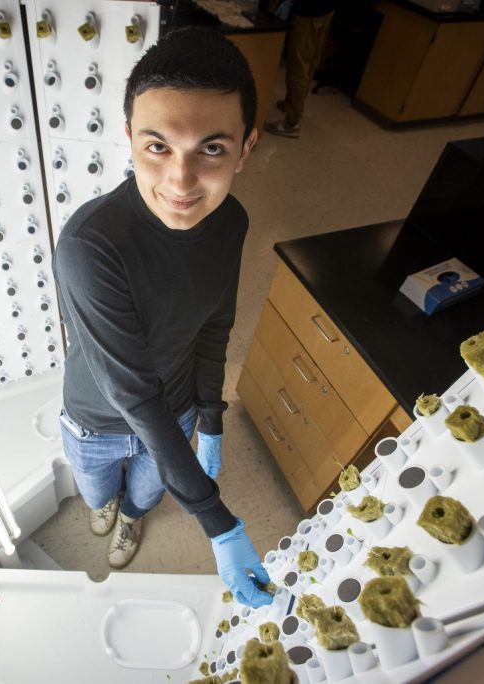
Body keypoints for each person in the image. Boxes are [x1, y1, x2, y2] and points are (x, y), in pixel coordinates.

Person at [53, 27, 272, 608]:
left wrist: (211, 416)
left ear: (247, 147)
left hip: (173, 416)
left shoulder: (232, 222)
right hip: (95, 421)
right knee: (96, 491)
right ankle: (107, 509)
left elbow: (215, 324)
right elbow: (131, 392)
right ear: (128, 137)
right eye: (158, 146)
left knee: (144, 498)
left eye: (212, 148)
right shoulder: (90, 243)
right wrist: (218, 521)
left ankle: (130, 517)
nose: (180, 181)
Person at [265, 0, 336, 138]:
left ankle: (291, 123)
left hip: (308, 11)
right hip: (325, 9)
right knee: (310, 60)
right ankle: (293, 104)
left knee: (299, 64)